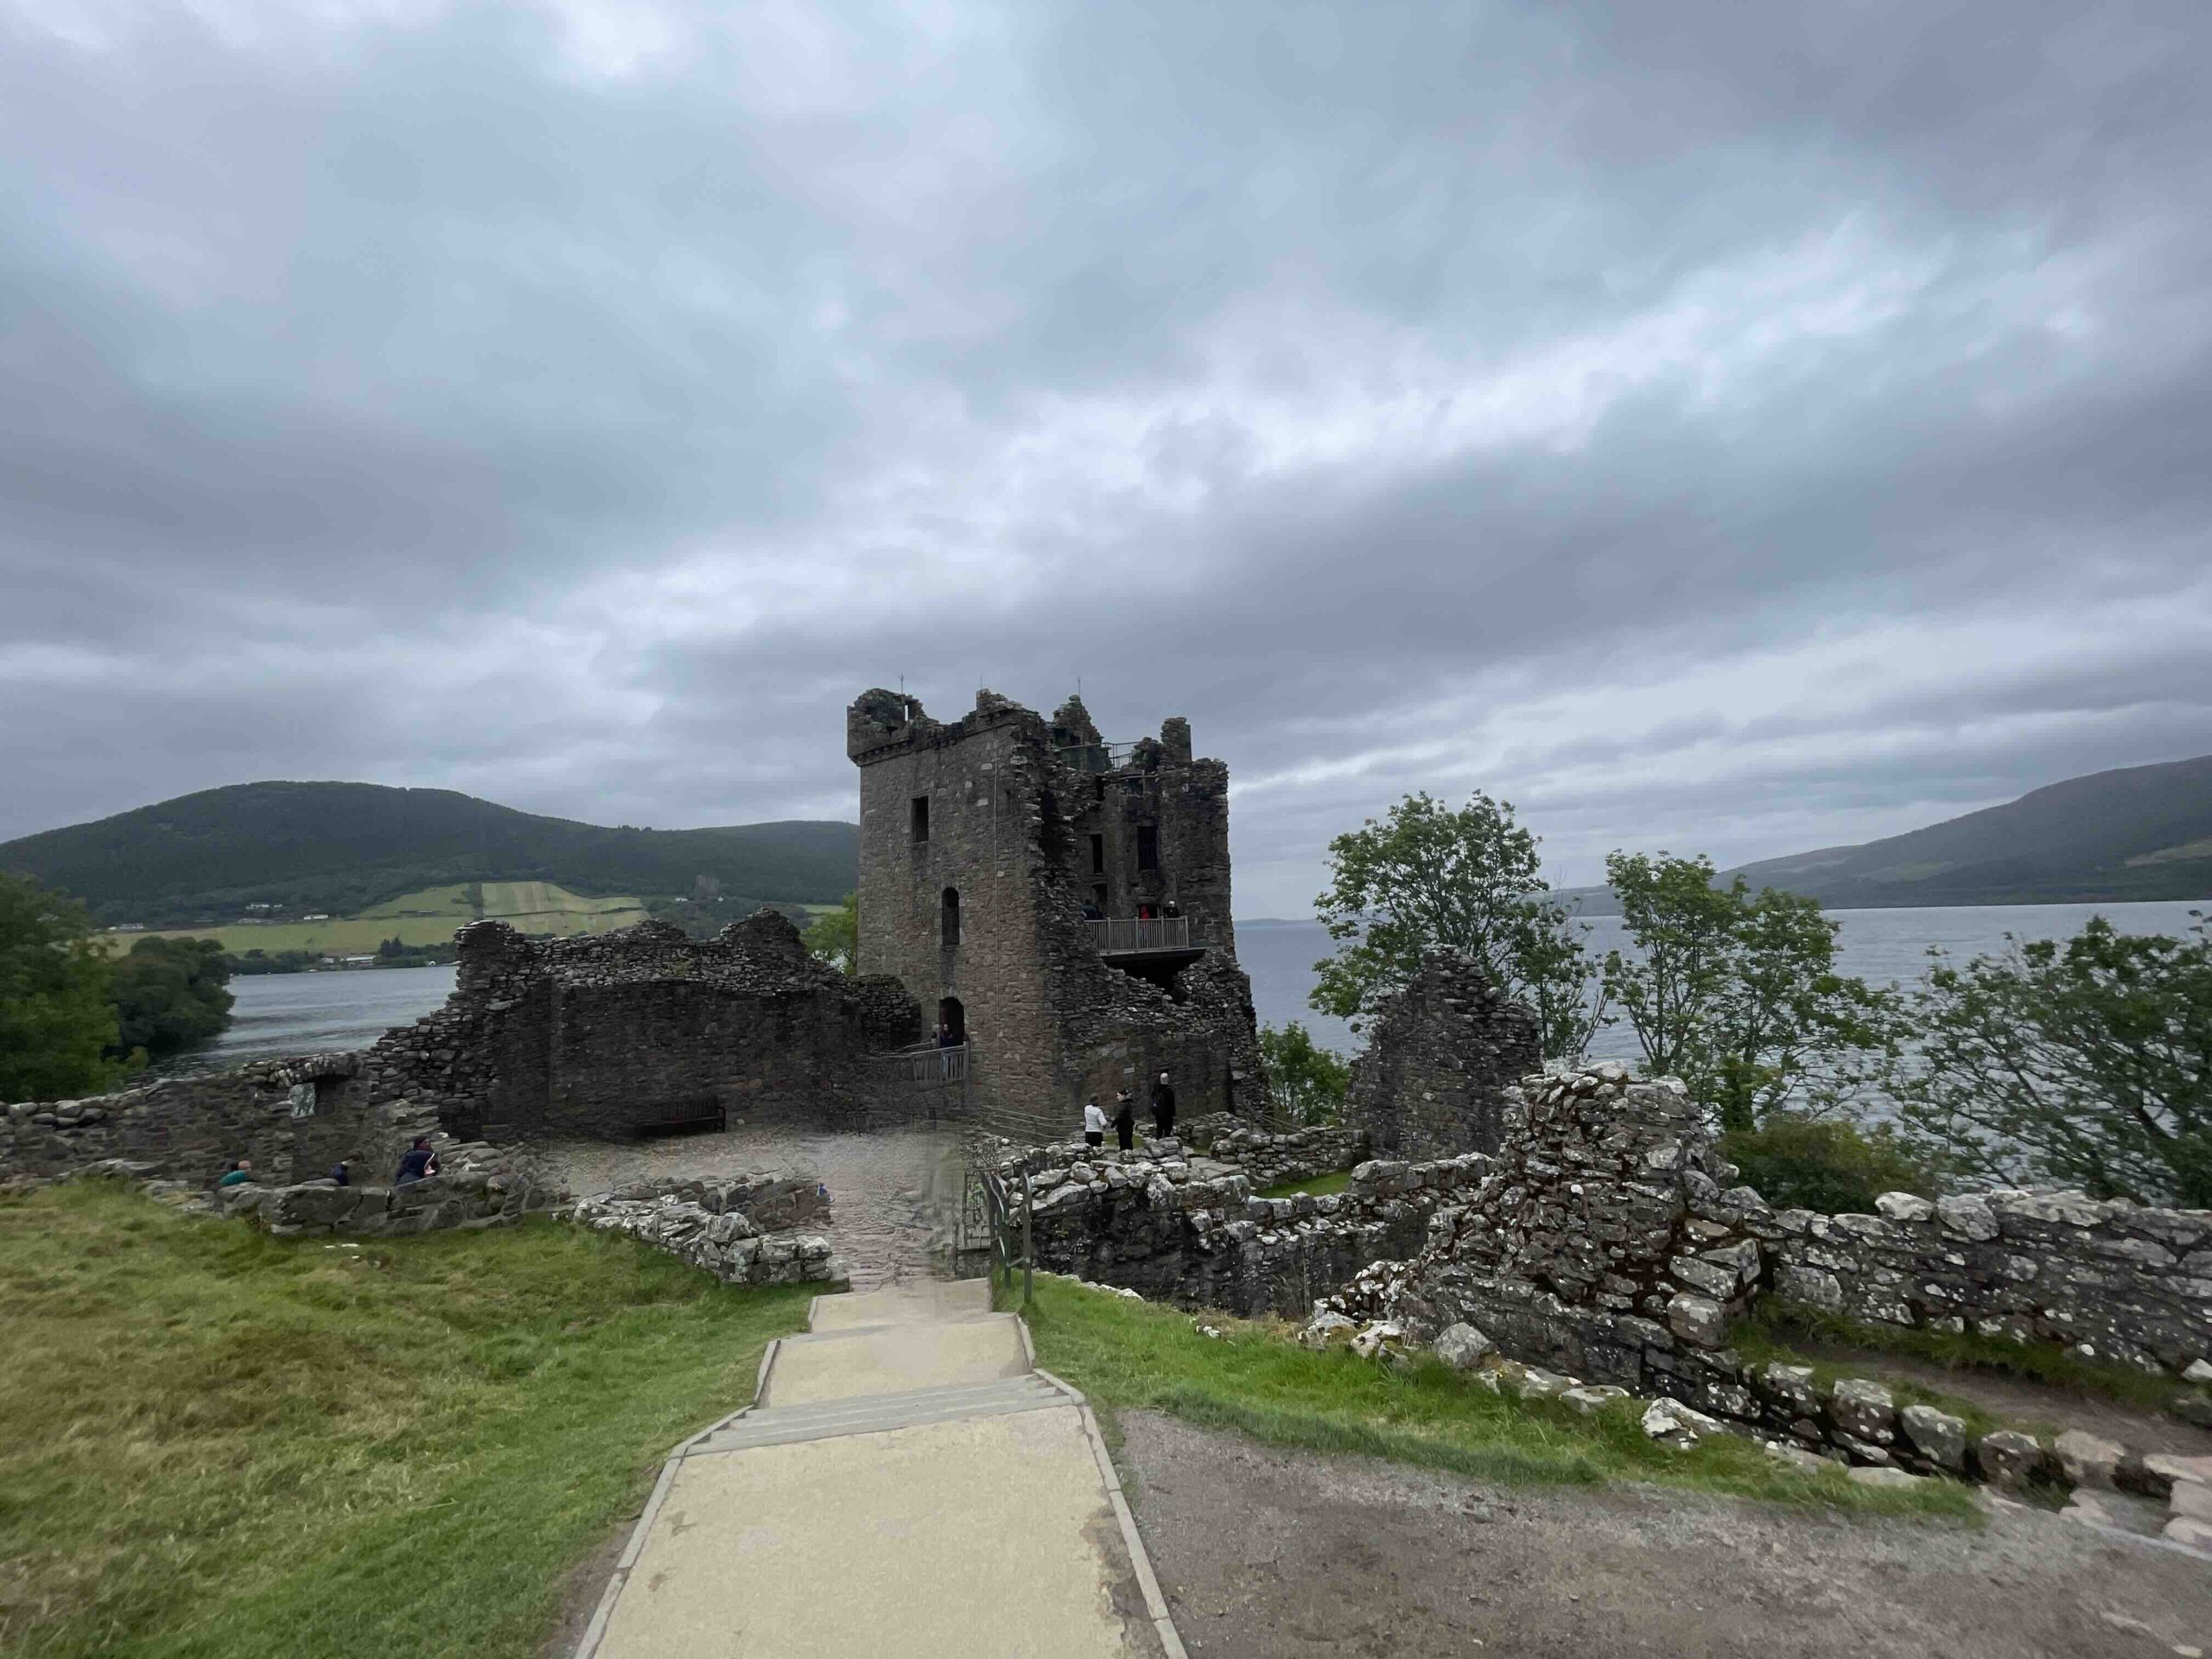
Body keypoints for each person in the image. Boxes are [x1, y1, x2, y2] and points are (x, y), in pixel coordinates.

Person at [1150, 1070, 1177, 1140]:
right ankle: (1167, 1142)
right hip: (1167, 1113)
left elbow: (1152, 1098)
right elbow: (1171, 1103)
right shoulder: (1169, 1091)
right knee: (1168, 1129)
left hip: (1158, 1112)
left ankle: (1158, 1141)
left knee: (1159, 1128)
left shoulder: (1156, 1090)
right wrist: (1173, 1114)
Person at [1113, 1089, 1135, 1154]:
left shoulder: (1124, 1105)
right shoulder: (1128, 1104)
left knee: (1125, 1144)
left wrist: (1114, 1124)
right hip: (1127, 1126)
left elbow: (1120, 1116)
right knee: (1128, 1142)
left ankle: (1126, 1157)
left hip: (1124, 1127)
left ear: (1123, 1096)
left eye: (1118, 1095)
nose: (1117, 1097)